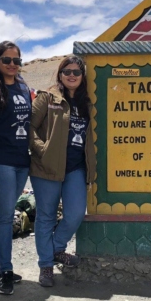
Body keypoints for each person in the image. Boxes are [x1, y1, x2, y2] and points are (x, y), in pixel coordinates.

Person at [29, 56, 95, 287]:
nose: (72, 75)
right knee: (46, 216)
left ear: (83, 76)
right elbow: (29, 126)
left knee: (75, 213)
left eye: (77, 72)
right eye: (67, 71)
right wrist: (43, 150)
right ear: (60, 74)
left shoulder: (88, 102)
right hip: (46, 167)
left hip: (76, 167)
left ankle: (56, 249)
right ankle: (46, 265)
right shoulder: (47, 98)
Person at [0, 41, 32, 295]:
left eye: (16, 60)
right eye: (7, 60)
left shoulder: (23, 87)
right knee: (5, 216)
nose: (12, 64)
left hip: (21, 161)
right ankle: (6, 271)